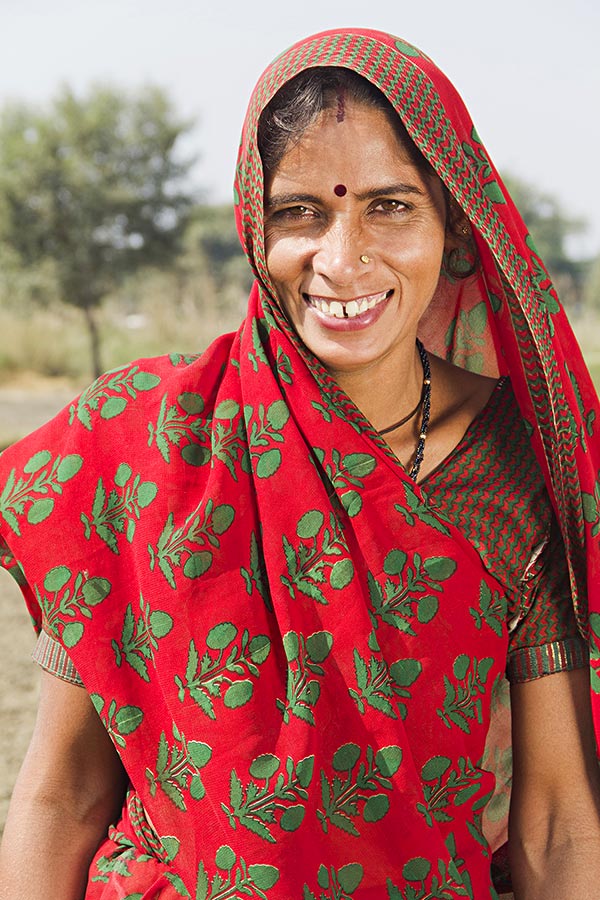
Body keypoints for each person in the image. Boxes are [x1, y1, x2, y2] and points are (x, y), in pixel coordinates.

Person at [1, 26, 600, 900]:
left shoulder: (511, 460)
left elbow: (555, 816)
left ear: (456, 228)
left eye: (390, 205)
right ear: (254, 226)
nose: (342, 257)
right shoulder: (145, 445)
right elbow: (64, 791)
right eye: (301, 211)